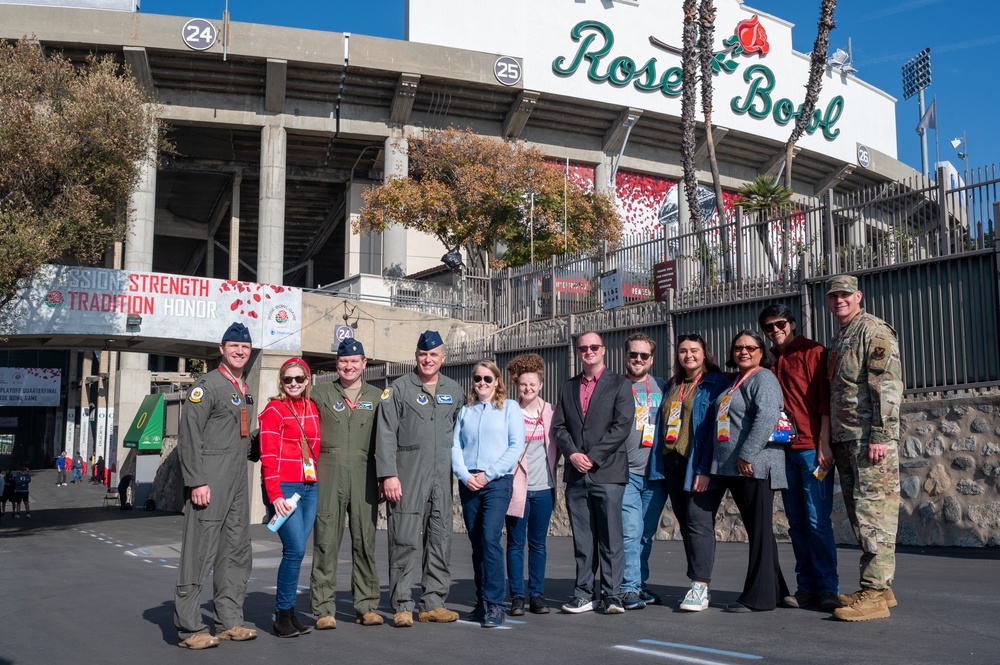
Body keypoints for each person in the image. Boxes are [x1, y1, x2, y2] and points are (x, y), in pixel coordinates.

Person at [173, 322, 258, 650]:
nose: (240, 351)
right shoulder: (206, 386)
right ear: (221, 349)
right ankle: (189, 626)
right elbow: (189, 436)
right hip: (210, 479)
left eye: (245, 347)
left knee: (236, 550)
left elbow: (244, 436)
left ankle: (229, 620)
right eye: (234, 346)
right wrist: (197, 480)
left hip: (237, 480)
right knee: (199, 552)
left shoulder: (243, 388)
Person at [825, 275, 903, 622]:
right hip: (846, 439)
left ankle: (873, 593)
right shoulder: (842, 335)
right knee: (861, 517)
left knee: (875, 515)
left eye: (845, 294)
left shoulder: (873, 329)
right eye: (833, 296)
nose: (839, 300)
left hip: (868, 440)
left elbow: (886, 386)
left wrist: (881, 437)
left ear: (858, 296)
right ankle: (881, 588)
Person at [376, 330, 464, 628]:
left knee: (440, 539)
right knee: (404, 539)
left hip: (442, 476)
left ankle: (433, 602)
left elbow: (464, 435)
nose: (428, 359)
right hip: (408, 474)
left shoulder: (455, 390)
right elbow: (386, 433)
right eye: (423, 354)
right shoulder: (398, 389)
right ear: (416, 356)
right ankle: (402, 603)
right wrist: (388, 475)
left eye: (434, 355)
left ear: (443, 358)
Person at [696, 330, 789, 612]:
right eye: (738, 347)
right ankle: (778, 591)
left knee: (759, 531)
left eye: (750, 347)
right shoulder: (737, 380)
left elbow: (767, 417)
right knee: (758, 530)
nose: (744, 352)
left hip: (754, 466)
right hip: (736, 468)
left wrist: (747, 453)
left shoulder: (764, 378)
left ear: (762, 351)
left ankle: (758, 598)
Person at [759, 304, 839, 612]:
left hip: (811, 451)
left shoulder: (813, 352)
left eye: (780, 324)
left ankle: (828, 588)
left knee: (818, 521)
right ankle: (806, 587)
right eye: (769, 327)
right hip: (782, 452)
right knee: (796, 523)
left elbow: (825, 400)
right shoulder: (769, 360)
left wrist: (824, 443)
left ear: (792, 323)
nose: (775, 330)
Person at [552, 331, 634, 615]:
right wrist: (573, 454)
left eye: (593, 347)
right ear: (578, 352)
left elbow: (622, 426)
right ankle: (583, 594)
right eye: (583, 347)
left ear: (604, 350)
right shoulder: (567, 386)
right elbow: (559, 427)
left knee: (611, 538)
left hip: (608, 472)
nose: (588, 351)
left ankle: (612, 595)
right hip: (576, 474)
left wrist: (593, 456)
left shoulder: (620, 385)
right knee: (583, 541)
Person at [647, 333, 729, 612]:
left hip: (700, 465)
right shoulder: (673, 384)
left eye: (694, 350)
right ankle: (695, 582)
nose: (688, 356)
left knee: (698, 523)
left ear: (705, 354)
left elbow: (716, 431)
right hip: (673, 465)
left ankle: (700, 586)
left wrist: (706, 469)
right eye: (683, 351)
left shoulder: (717, 384)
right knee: (687, 526)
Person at [310, 339, 384, 629]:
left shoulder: (378, 397)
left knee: (365, 541)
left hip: (365, 472)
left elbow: (388, 439)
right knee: (326, 541)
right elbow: (296, 418)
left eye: (355, 361)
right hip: (328, 472)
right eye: (343, 361)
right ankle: (323, 609)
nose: (349, 366)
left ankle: (366, 605)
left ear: (364, 364)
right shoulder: (319, 393)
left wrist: (385, 476)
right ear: (336, 364)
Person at [452, 361, 525, 627]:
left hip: (497, 482)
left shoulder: (510, 408)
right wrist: (464, 475)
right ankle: (482, 602)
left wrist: (489, 474)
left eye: (487, 378)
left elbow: (515, 446)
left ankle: (496, 605)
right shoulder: (466, 411)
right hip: (469, 481)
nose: (481, 383)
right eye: (477, 379)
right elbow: (456, 446)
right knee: (477, 543)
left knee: (490, 538)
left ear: (497, 381)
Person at [259, 357, 320, 638]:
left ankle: (291, 612)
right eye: (288, 379)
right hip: (285, 486)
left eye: (299, 379)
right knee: (294, 550)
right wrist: (275, 496)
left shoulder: (313, 407)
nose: (293, 383)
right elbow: (268, 456)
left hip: (309, 486)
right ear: (280, 382)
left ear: (308, 381)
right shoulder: (274, 410)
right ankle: (282, 615)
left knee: (298, 552)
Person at [504, 353, 560, 617]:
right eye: (523, 384)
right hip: (517, 489)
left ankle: (536, 595)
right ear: (517, 386)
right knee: (515, 543)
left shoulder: (550, 411)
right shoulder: (507, 410)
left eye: (533, 384)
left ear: (541, 385)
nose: (528, 389)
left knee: (538, 544)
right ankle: (516, 596)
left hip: (544, 488)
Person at [618, 333, 667, 610]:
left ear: (651, 359)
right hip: (626, 473)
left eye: (644, 356)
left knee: (646, 534)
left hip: (656, 474)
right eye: (633, 354)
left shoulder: (661, 386)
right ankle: (628, 588)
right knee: (630, 531)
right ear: (626, 357)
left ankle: (639, 583)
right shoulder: (614, 386)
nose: (638, 359)